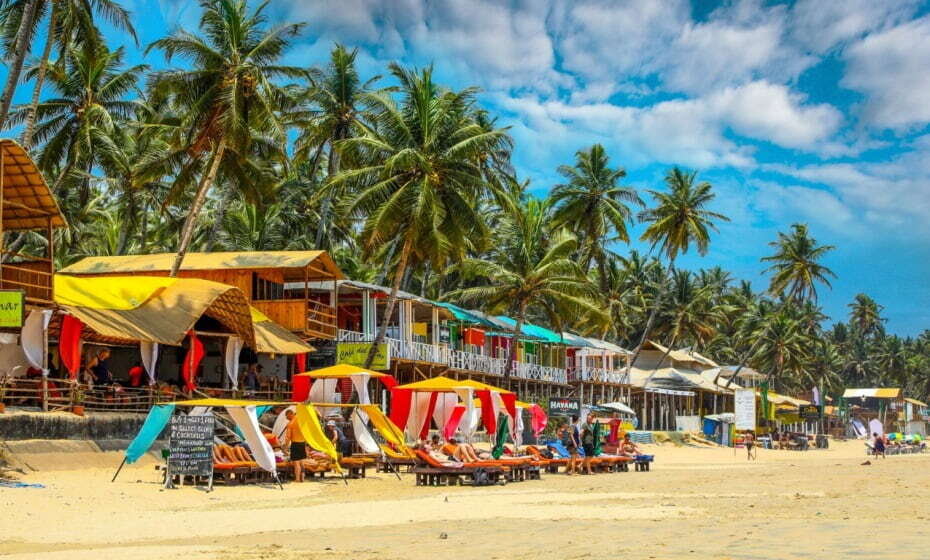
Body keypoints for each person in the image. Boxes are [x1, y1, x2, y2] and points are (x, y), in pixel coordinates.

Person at [282, 410, 307, 482]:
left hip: (295, 444)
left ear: (290, 414)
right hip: (302, 443)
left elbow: (288, 436)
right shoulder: (300, 420)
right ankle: (302, 478)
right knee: (302, 462)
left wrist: (285, 446)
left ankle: (297, 479)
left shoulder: (290, 424)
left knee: (296, 463)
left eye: (287, 416)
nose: (286, 418)